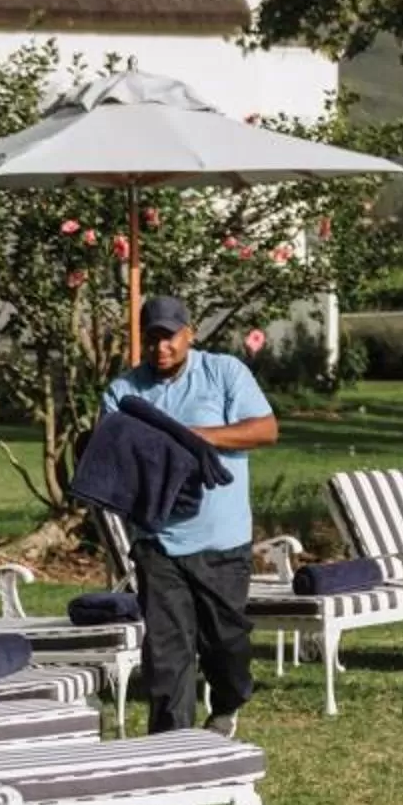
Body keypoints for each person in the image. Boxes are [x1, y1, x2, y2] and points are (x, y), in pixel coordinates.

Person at [104, 295, 277, 733]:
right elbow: (110, 457)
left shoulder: (224, 372)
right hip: (157, 541)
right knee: (166, 653)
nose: (161, 348)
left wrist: (194, 437)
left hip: (221, 541)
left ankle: (228, 702)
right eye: (151, 338)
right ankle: (171, 746)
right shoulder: (124, 392)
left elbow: (265, 429)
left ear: (190, 334)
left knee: (226, 645)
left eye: (169, 337)